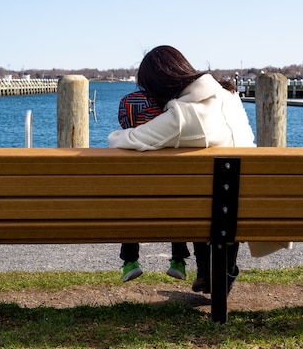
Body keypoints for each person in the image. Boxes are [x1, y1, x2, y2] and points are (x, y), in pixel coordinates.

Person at [108, 45, 256, 295]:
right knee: (222, 197)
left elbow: (126, 140)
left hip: (215, 212)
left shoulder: (182, 115)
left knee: (203, 200)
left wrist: (125, 130)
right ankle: (221, 270)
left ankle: (215, 272)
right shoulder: (229, 96)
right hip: (249, 207)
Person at [116, 90, 191, 282]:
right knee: (178, 203)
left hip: (136, 208)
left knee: (129, 207)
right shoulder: (172, 146)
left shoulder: (121, 145)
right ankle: (178, 260)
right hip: (170, 207)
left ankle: (130, 262)